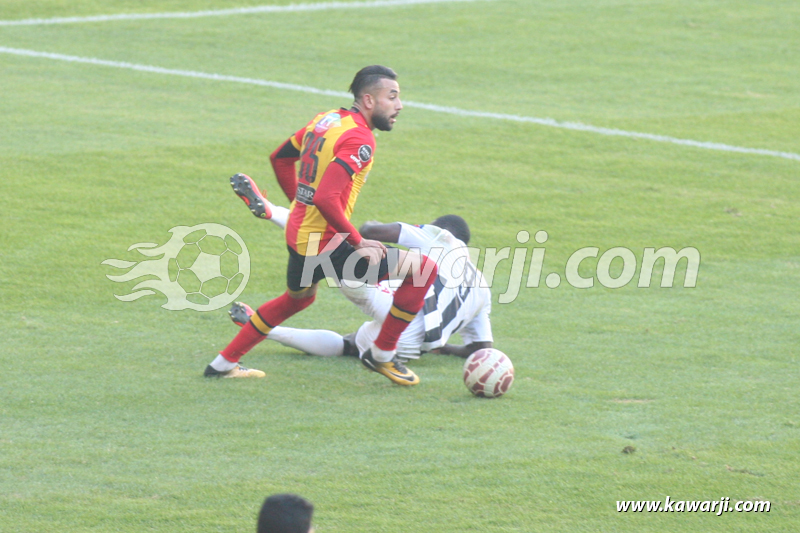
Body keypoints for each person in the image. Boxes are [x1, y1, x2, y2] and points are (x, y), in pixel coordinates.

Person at [205, 65, 437, 386]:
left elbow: (280, 159)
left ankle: (222, 364)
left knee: (297, 300)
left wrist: (298, 206)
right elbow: (326, 198)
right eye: (392, 97)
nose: (399, 105)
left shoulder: (327, 120)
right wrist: (358, 241)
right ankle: (382, 354)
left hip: (300, 236)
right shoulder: (360, 138)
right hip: (327, 243)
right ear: (369, 100)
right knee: (423, 270)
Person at [228, 197, 494, 362]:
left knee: (334, 245)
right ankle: (267, 330)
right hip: (411, 343)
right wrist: (442, 347)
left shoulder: (441, 237)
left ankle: (273, 211)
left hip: (392, 301)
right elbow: (480, 348)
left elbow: (370, 231)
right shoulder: (482, 287)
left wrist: (371, 230)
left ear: (440, 227)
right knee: (348, 346)